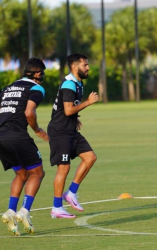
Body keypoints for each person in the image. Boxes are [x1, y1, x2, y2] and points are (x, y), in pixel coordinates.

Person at [0, 58, 49, 236]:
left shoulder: (6, 89)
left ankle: (11, 211)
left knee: (21, 174)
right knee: (37, 173)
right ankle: (24, 211)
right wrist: (37, 130)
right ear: (37, 74)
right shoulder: (36, 88)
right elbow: (29, 112)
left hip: (1, 136)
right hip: (17, 135)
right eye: (42, 73)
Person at [48, 53, 98, 219]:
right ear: (75, 67)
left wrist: (75, 119)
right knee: (64, 168)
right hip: (60, 131)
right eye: (85, 65)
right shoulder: (69, 84)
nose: (88, 68)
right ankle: (56, 208)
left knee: (90, 157)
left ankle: (71, 193)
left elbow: (68, 110)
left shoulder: (78, 83)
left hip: (69, 129)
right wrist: (88, 103)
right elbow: (68, 109)